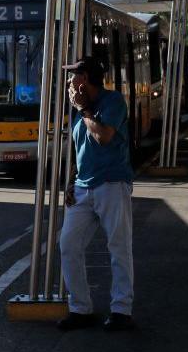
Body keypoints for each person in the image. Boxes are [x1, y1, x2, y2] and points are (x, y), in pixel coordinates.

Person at [56, 56, 135, 332]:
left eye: (72, 76)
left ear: (85, 79)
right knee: (68, 245)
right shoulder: (80, 108)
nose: (67, 82)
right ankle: (80, 307)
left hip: (112, 183)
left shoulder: (111, 102)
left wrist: (84, 111)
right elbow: (80, 150)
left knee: (118, 247)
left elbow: (103, 137)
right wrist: (70, 181)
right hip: (83, 186)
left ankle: (121, 309)